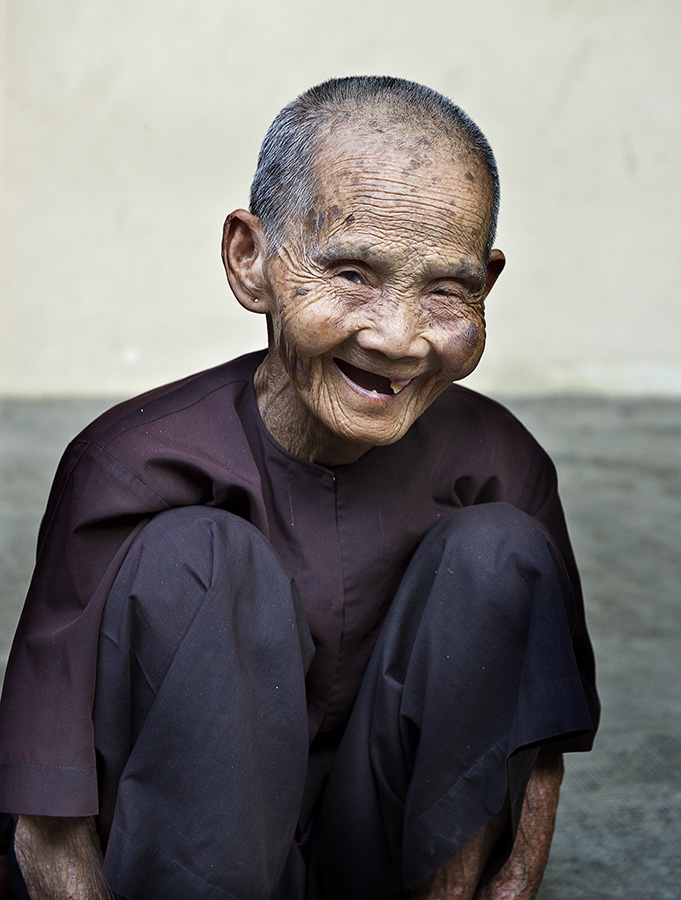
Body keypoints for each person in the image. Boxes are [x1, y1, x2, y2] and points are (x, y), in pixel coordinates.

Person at [0, 76, 599, 900]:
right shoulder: (127, 463)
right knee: (198, 559)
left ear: (486, 286)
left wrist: (509, 884)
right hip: (179, 859)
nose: (397, 336)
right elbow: (48, 820)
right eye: (350, 273)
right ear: (251, 259)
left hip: (382, 856)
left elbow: (536, 743)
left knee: (497, 554)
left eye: (444, 289)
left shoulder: (502, 460)